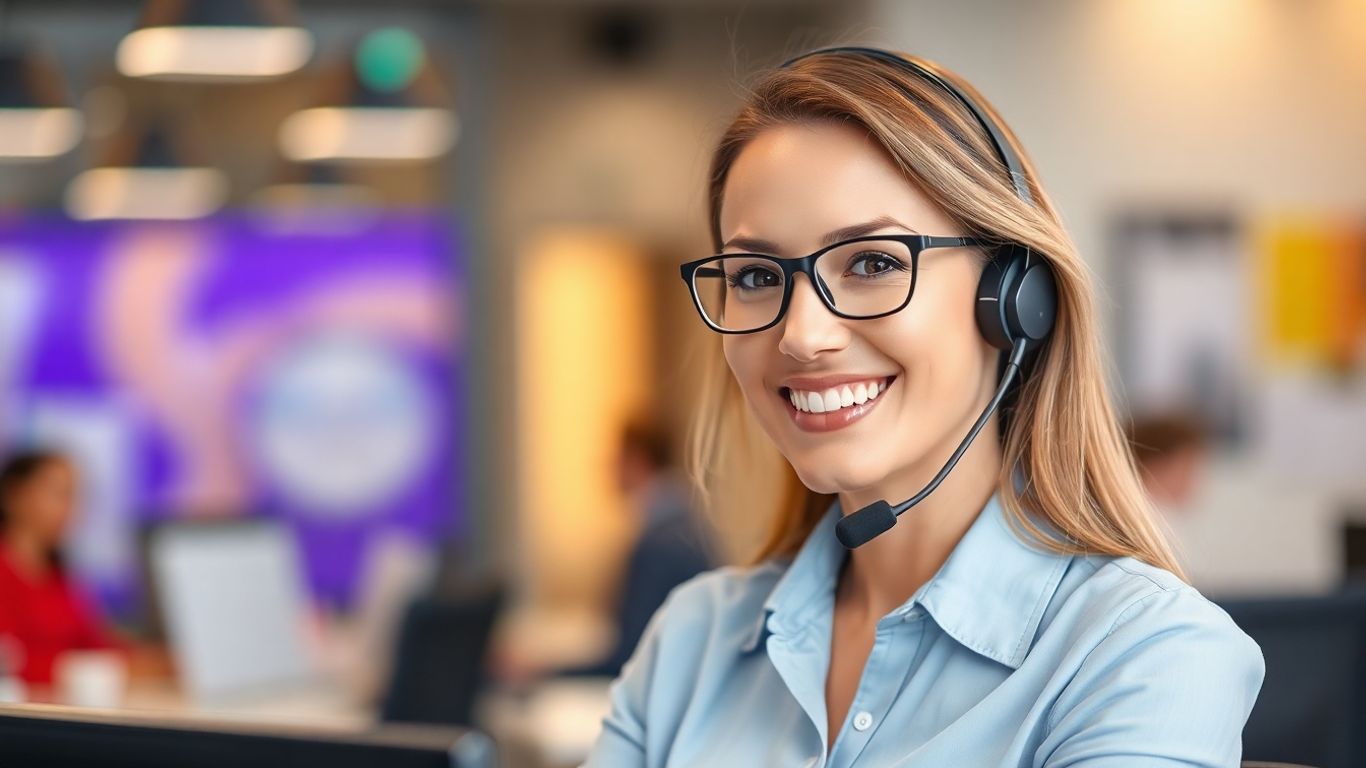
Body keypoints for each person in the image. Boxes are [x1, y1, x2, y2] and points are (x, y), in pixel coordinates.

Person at [585, 47, 1263, 766]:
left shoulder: (1141, 654)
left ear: (1012, 300)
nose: (802, 336)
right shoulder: (694, 641)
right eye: (755, 275)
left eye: (873, 263)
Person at [0, 449, 120, 686]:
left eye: (76, 497)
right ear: (14, 495)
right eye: (59, 494)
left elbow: (94, 643)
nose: (70, 509)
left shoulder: (62, 578)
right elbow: (11, 662)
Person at [1127, 413, 1211, 514]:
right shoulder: (1145, 516)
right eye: (1186, 469)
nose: (1191, 482)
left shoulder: (1163, 515)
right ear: (1155, 465)